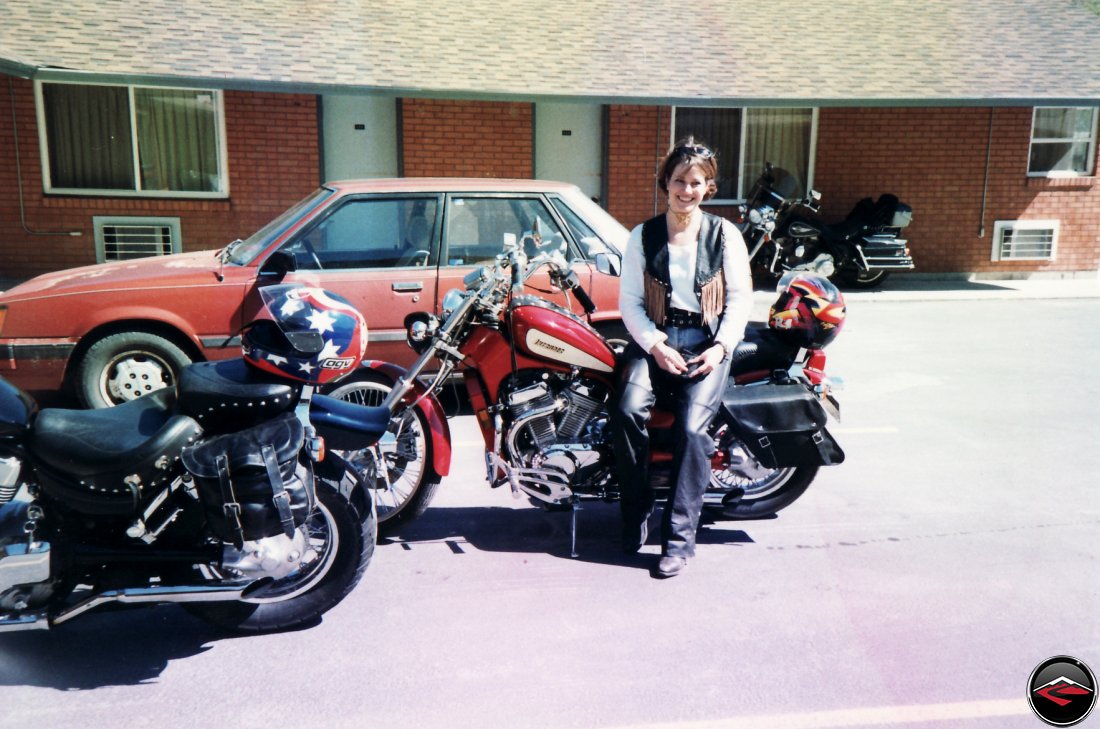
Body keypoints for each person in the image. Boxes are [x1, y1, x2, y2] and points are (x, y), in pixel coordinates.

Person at [612, 139, 753, 578]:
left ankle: (677, 541)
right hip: (655, 340)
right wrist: (655, 344)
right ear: (665, 183)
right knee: (625, 410)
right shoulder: (643, 235)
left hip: (707, 343)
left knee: (692, 431)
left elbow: (740, 298)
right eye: (678, 181)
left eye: (695, 182)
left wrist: (720, 347)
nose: (686, 190)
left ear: (708, 186)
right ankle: (635, 515)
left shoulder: (724, 234)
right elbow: (631, 302)